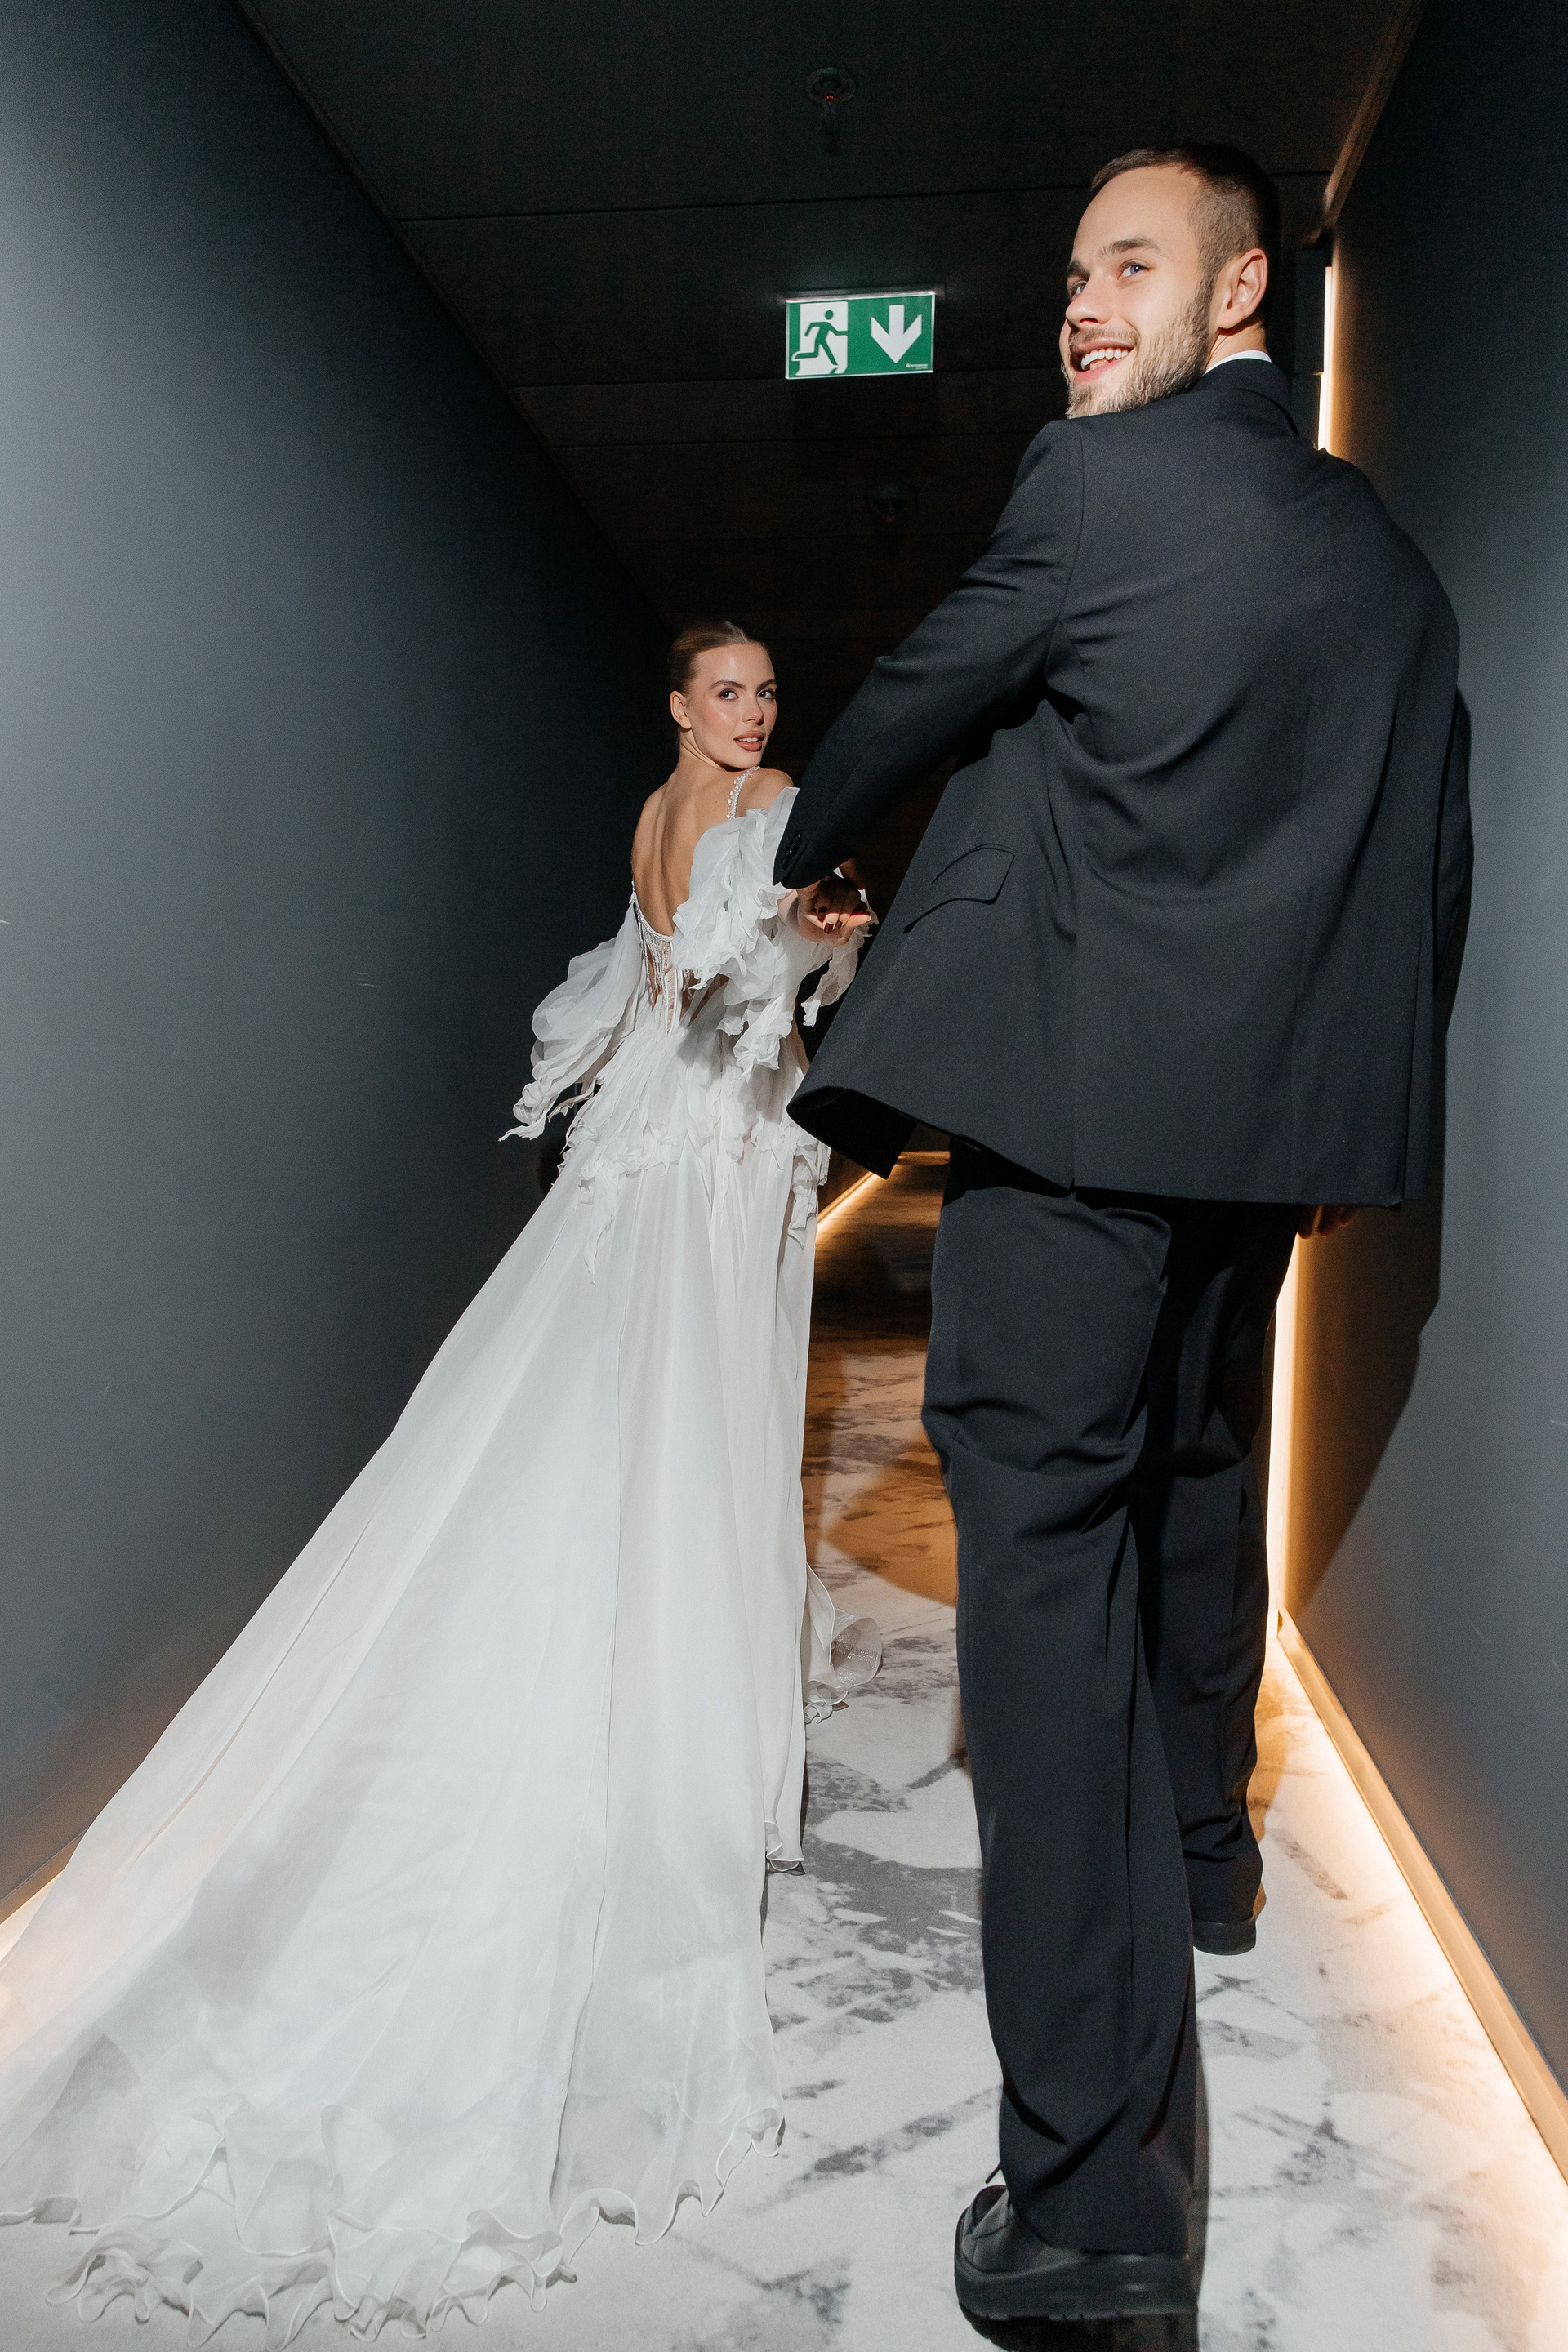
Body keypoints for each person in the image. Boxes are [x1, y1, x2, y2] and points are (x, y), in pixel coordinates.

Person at [774, 144, 1472, 2325]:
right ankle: (1210, 1860)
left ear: (1240, 290)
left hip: (1074, 1124)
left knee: (1040, 1594)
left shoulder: (1097, 491)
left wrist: (796, 850)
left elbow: (919, 689)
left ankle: (1091, 2199)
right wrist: (1340, 1124)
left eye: (1130, 266)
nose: (1081, 304)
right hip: (1261, 1139)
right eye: (1072, 272)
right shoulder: (1392, 569)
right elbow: (1425, 874)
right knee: (1194, 1477)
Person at [0, 621, 876, 2337]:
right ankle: (669, 1695)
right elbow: (750, 984)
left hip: (650, 1159)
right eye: (730, 690)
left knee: (608, 1415)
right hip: (707, 1168)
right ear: (681, 702)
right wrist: (824, 941)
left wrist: (787, 950)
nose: (757, 713)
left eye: (768, 692)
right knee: (691, 1421)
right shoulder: (760, 802)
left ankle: (614, 1640)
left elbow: (676, 984)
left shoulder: (653, 814)